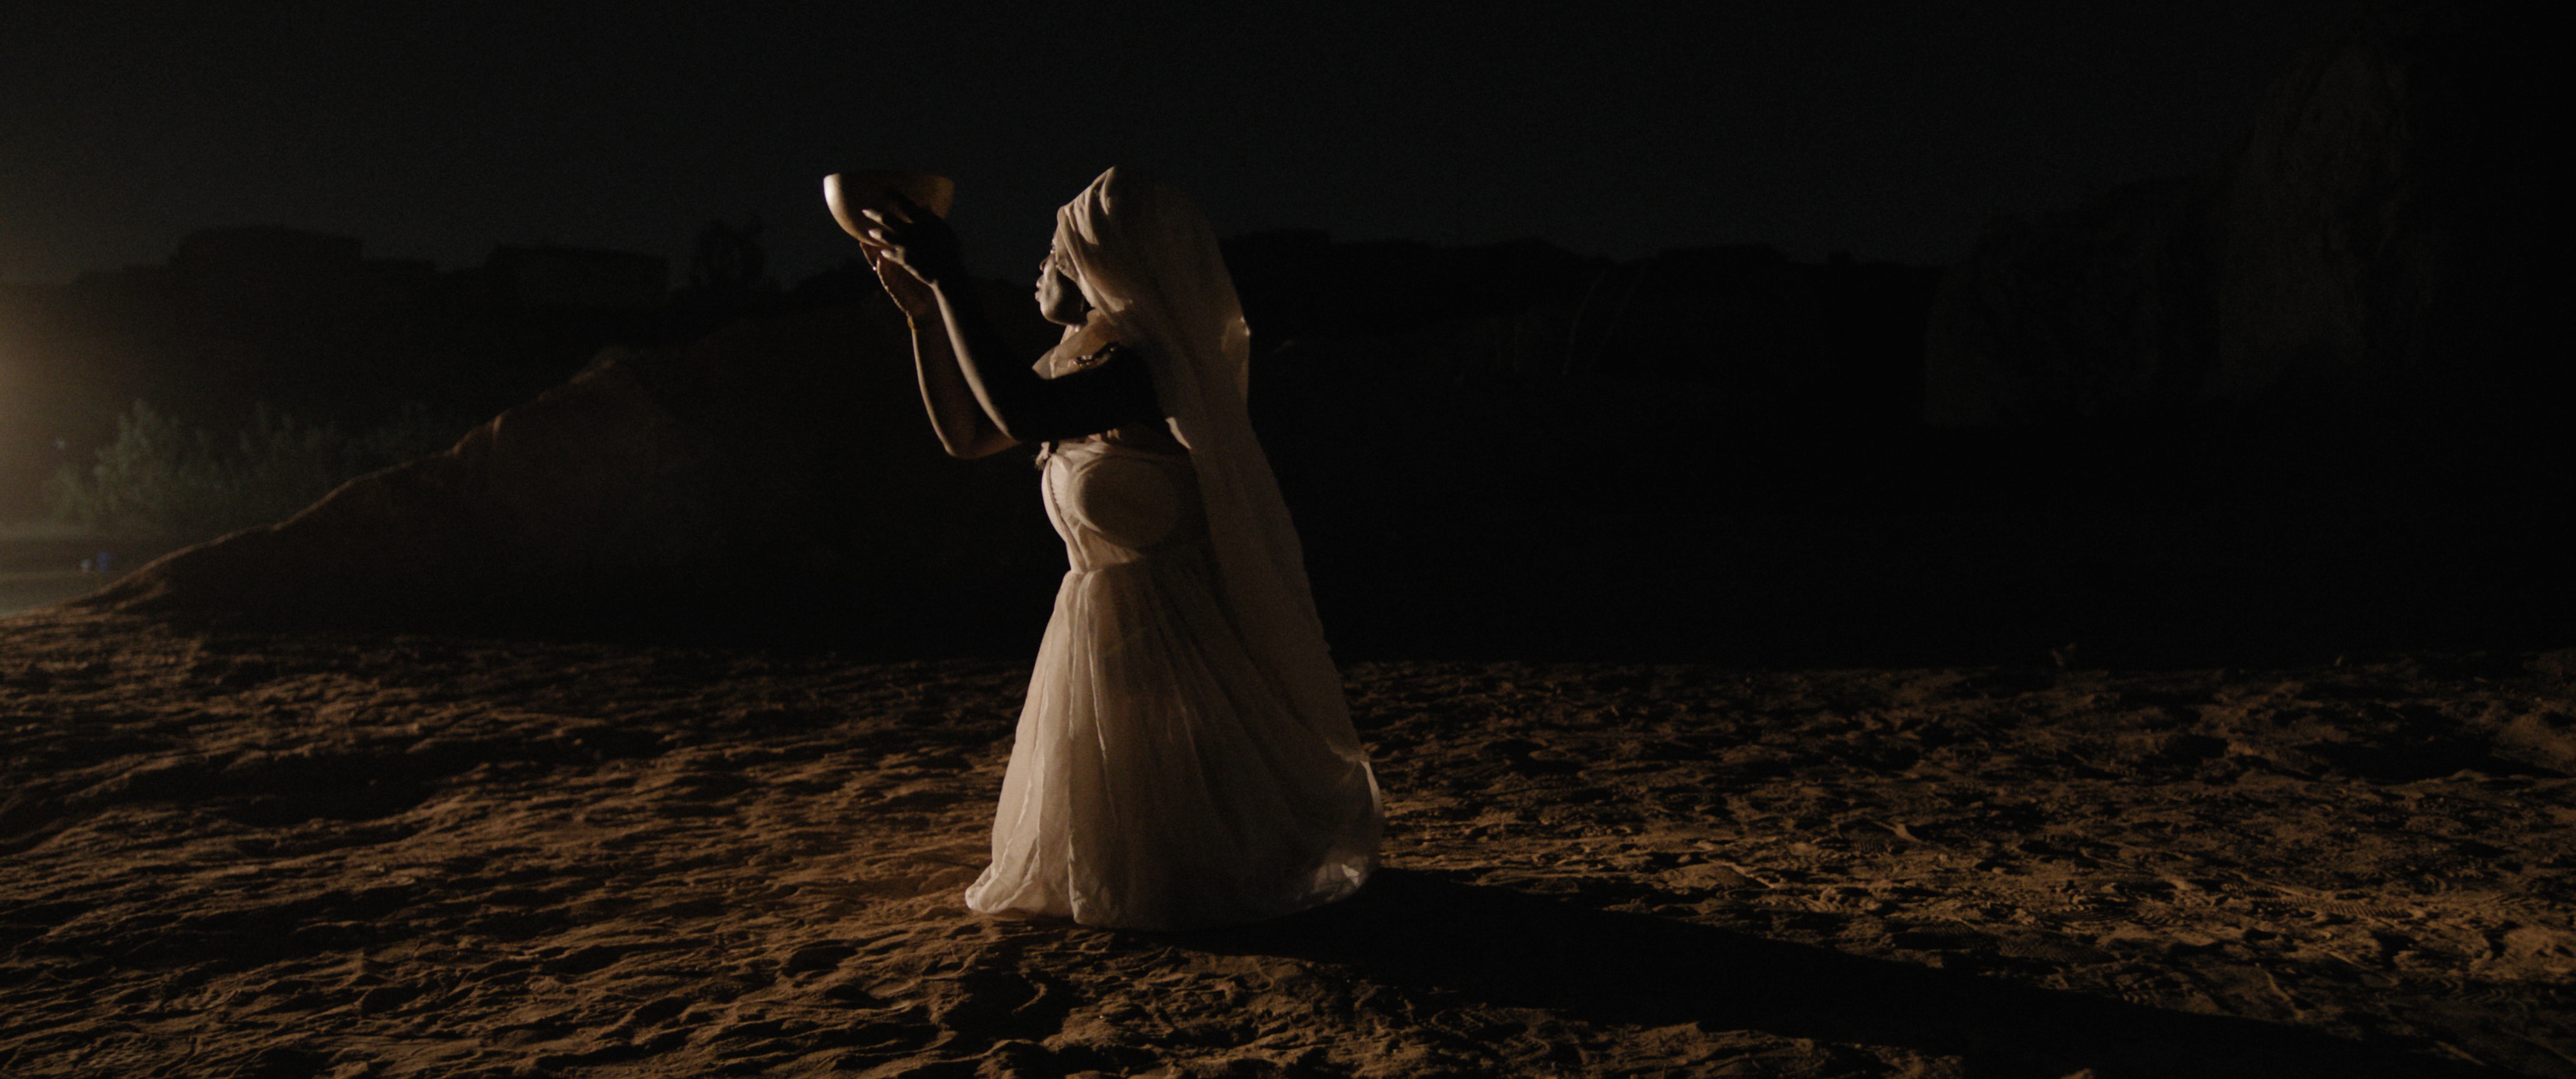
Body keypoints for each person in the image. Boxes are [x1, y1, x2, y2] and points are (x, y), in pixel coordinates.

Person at [853, 167, 1382, 930]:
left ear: (1105, 268)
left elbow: (1023, 412)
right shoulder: (1077, 364)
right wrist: (926, 316)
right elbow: (968, 435)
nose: (1042, 265)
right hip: (1104, 631)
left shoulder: (1145, 372)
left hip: (1181, 641)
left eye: (1058, 252)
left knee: (1201, 873)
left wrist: (952, 279)